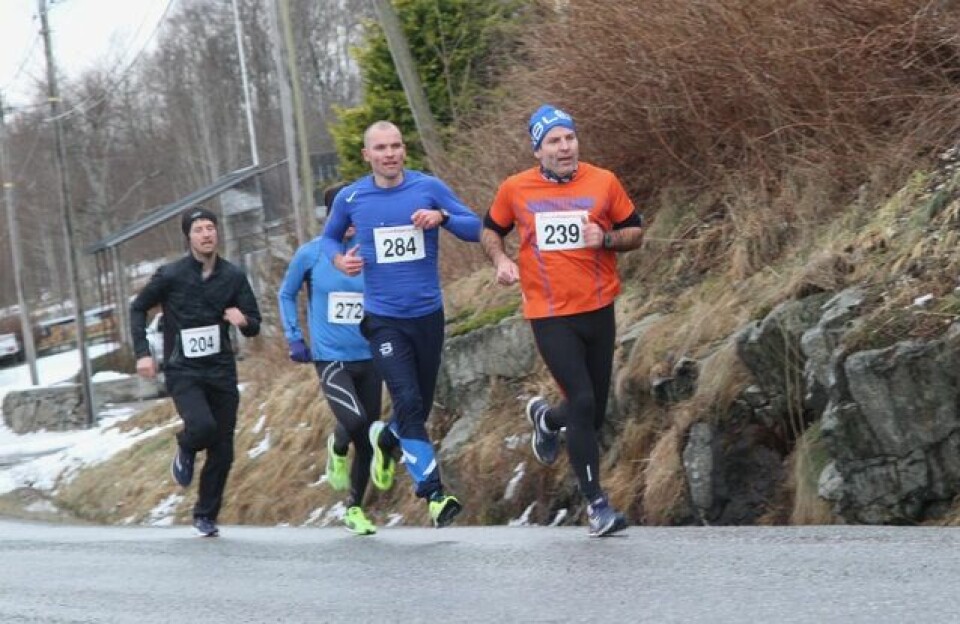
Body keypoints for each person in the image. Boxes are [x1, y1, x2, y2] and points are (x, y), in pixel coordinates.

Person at [481, 104, 644, 537]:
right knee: (584, 401)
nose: (565, 146)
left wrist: (606, 238)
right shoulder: (515, 189)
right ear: (538, 150)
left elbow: (636, 231)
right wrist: (499, 261)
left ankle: (548, 420)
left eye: (569, 137)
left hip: (599, 307)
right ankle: (597, 505)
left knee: (593, 413)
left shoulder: (603, 181)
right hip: (550, 314)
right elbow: (490, 229)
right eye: (554, 140)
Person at [321, 120, 481, 528]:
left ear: (404, 150)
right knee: (408, 402)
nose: (389, 154)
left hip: (428, 316)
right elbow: (329, 239)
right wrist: (340, 260)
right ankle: (435, 495)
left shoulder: (428, 188)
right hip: (383, 320)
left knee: (418, 408)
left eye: (395, 146)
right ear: (367, 155)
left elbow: (476, 227)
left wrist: (441, 216)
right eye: (381, 148)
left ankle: (386, 438)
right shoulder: (351, 197)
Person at [130, 206, 262, 537]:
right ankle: (186, 446)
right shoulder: (171, 275)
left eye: (210, 228)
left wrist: (243, 320)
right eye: (199, 229)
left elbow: (253, 324)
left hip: (221, 370)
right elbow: (137, 308)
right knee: (202, 426)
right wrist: (143, 353)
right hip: (183, 369)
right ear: (188, 236)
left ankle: (206, 514)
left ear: (218, 233)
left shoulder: (233, 276)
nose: (206, 234)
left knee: (224, 449)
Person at [278, 182, 384, 536]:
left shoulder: (374, 251)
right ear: (333, 216)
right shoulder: (311, 255)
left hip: (369, 355)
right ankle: (337, 446)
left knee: (367, 432)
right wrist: (294, 336)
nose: (354, 221)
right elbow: (286, 293)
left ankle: (355, 507)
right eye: (347, 214)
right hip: (331, 357)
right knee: (353, 422)